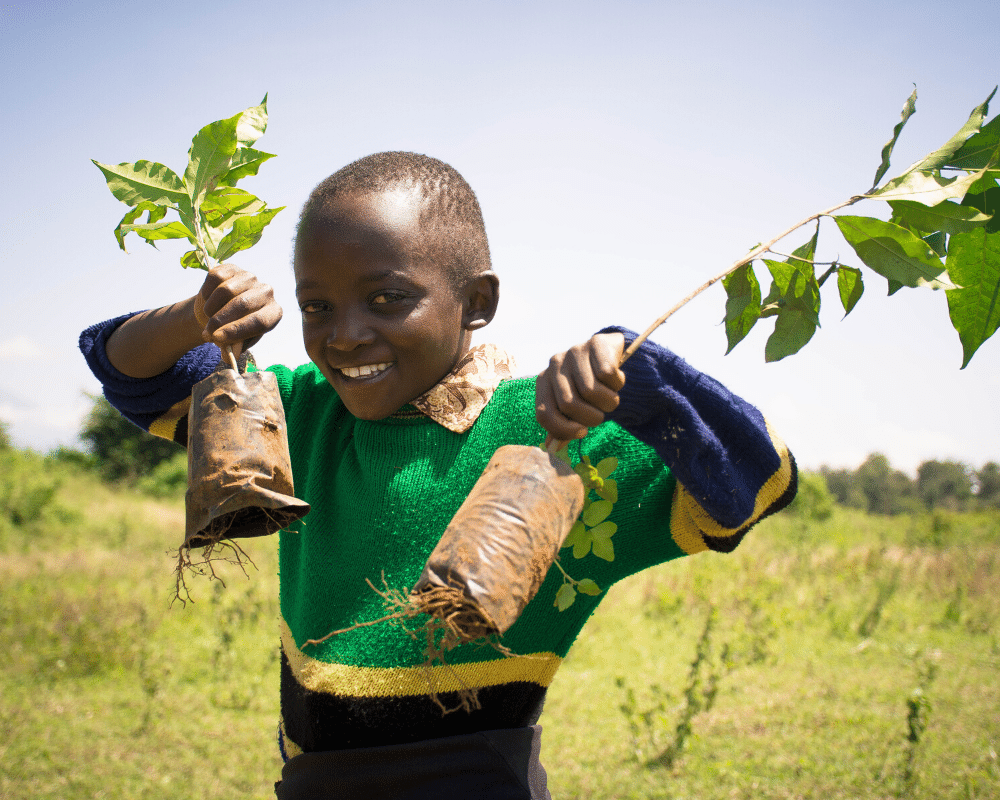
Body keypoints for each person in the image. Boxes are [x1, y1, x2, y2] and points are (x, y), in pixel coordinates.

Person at [79, 151, 797, 799]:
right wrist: (195, 315)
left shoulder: (560, 439)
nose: (345, 333)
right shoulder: (298, 416)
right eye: (315, 306)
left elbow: (758, 485)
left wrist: (643, 374)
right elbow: (127, 373)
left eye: (387, 298)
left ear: (476, 302)